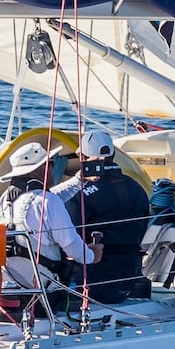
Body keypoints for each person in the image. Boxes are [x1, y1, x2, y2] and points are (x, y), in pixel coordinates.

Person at [54, 127, 150, 304]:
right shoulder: (138, 189)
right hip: (129, 275)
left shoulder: (78, 195)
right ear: (113, 155)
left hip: (91, 282)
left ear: (82, 158)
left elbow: (67, 240)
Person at [0, 139, 102, 289]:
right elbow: (72, 247)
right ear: (42, 169)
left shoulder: (6, 199)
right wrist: (92, 255)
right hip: (45, 289)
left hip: (14, 282)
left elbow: (45, 199)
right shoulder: (48, 202)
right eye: (52, 164)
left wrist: (79, 180)